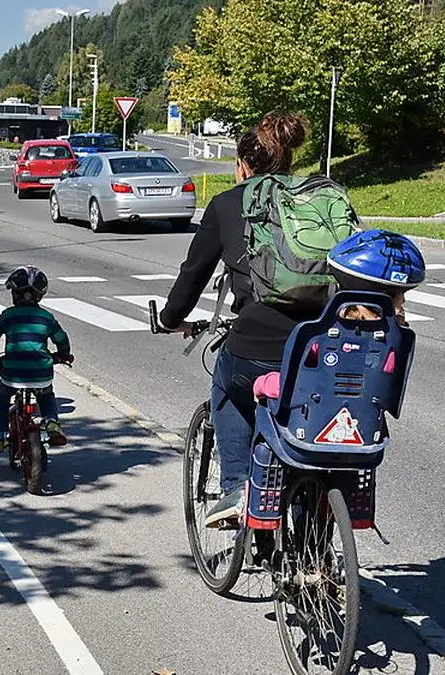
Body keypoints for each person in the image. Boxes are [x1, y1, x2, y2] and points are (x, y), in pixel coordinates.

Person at [155, 111, 315, 528]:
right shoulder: (319, 198)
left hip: (259, 343)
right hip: (321, 343)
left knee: (226, 385)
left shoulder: (229, 203)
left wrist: (172, 319)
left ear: (242, 166)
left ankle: (237, 487)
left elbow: (193, 275)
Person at [251, 229, 427, 400]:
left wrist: (262, 384)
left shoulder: (321, 339)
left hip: (315, 421)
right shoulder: (395, 343)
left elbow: (293, 385)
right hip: (367, 421)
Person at [0, 266, 73, 452]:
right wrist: (64, 354)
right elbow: (61, 339)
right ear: (40, 296)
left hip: (13, 373)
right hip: (42, 372)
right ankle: (52, 422)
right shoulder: (46, 317)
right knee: (46, 394)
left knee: (0, 397)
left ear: (15, 294)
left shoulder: (8, 316)